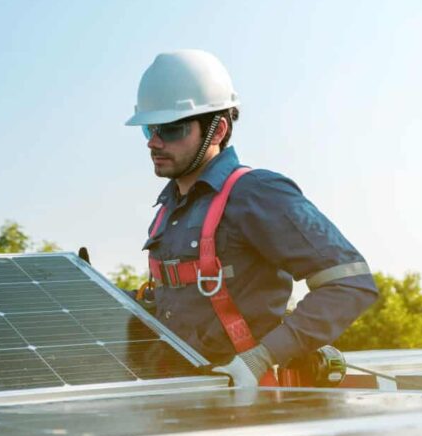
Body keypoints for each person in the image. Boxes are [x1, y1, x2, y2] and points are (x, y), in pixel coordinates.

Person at [125, 49, 378, 387]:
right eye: (150, 130)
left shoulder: (256, 193)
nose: (154, 143)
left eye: (171, 130)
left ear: (216, 131)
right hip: (182, 398)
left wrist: (260, 359)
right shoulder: (168, 208)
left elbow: (350, 284)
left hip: (252, 407)